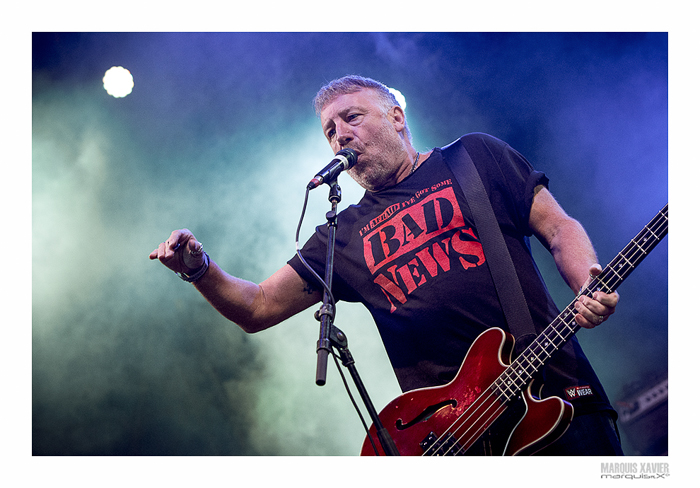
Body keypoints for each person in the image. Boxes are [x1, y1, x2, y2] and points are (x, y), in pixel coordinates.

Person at [150, 75, 623, 455]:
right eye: (330, 130)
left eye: (351, 117)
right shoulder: (344, 232)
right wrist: (199, 269)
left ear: (396, 117)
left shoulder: (473, 158)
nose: (340, 135)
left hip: (556, 397)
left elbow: (559, 228)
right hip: (454, 440)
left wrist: (587, 285)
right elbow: (257, 307)